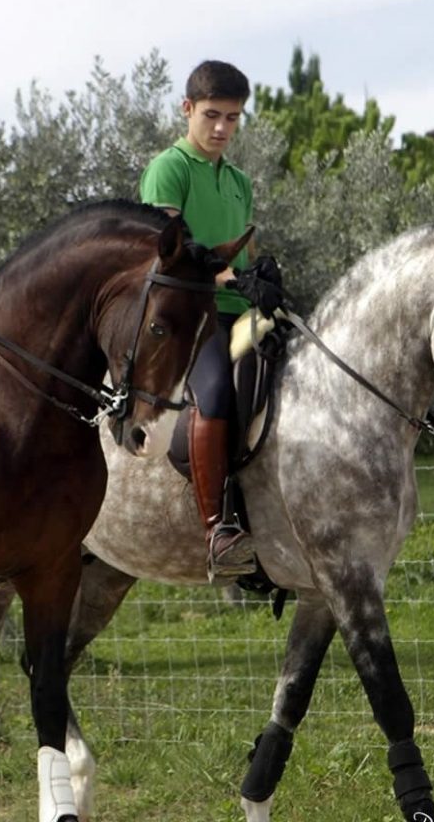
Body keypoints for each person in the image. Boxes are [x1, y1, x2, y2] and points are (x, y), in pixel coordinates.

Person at [139, 60, 281, 580]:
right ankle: (218, 528)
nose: (222, 128)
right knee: (217, 393)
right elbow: (177, 254)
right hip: (188, 318)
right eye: (212, 115)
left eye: (234, 118)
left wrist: (260, 274)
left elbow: (240, 254)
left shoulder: (239, 180)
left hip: (238, 314)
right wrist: (230, 279)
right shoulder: (168, 169)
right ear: (188, 110)